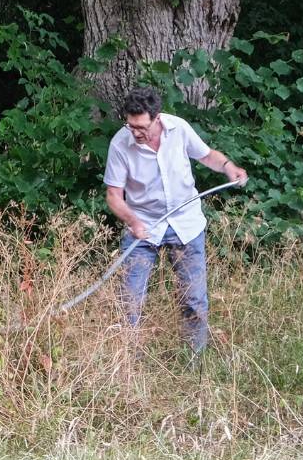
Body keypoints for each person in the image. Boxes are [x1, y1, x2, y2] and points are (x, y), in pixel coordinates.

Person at [104, 86, 248, 352]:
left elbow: (206, 156)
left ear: (157, 118)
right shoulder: (120, 144)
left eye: (142, 126)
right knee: (129, 299)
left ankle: (194, 361)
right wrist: (133, 221)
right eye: (130, 125)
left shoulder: (179, 129)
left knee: (193, 298)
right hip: (143, 226)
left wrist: (229, 168)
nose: (135, 132)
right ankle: (126, 365)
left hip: (186, 223)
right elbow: (113, 195)